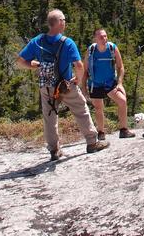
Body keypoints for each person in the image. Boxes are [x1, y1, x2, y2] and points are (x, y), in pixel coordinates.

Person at [16, 9, 110, 158]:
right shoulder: (67, 43)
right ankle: (92, 142)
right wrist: (78, 80)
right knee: (81, 110)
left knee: (50, 117)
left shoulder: (37, 41)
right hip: (65, 85)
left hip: (46, 86)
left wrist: (33, 65)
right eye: (64, 20)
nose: (65, 23)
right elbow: (79, 65)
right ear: (59, 23)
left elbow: (20, 62)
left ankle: (54, 150)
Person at [82, 27, 135, 140]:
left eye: (105, 36)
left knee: (122, 101)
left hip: (110, 83)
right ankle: (101, 132)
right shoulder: (91, 50)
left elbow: (120, 67)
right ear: (95, 38)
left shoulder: (112, 48)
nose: (104, 38)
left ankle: (124, 130)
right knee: (98, 108)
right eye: (101, 37)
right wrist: (84, 89)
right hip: (95, 84)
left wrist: (119, 83)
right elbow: (85, 71)